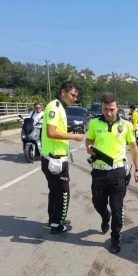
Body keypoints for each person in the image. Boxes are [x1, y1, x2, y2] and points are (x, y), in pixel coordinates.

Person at [86, 92, 138, 254]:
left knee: (117, 208)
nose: (108, 113)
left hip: (118, 172)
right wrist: (89, 147)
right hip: (99, 172)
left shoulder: (126, 125)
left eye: (111, 109)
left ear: (118, 108)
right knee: (97, 203)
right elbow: (89, 140)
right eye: (105, 109)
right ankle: (104, 216)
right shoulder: (94, 123)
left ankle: (115, 236)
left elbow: (133, 148)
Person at [41, 81, 84, 234]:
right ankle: (57, 224)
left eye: (76, 96)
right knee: (63, 191)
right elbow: (51, 133)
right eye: (73, 95)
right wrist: (73, 137)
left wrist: (69, 133)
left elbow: (57, 131)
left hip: (56, 157)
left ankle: (54, 218)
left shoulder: (61, 108)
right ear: (63, 92)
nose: (74, 99)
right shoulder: (55, 107)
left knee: (55, 191)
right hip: (55, 159)